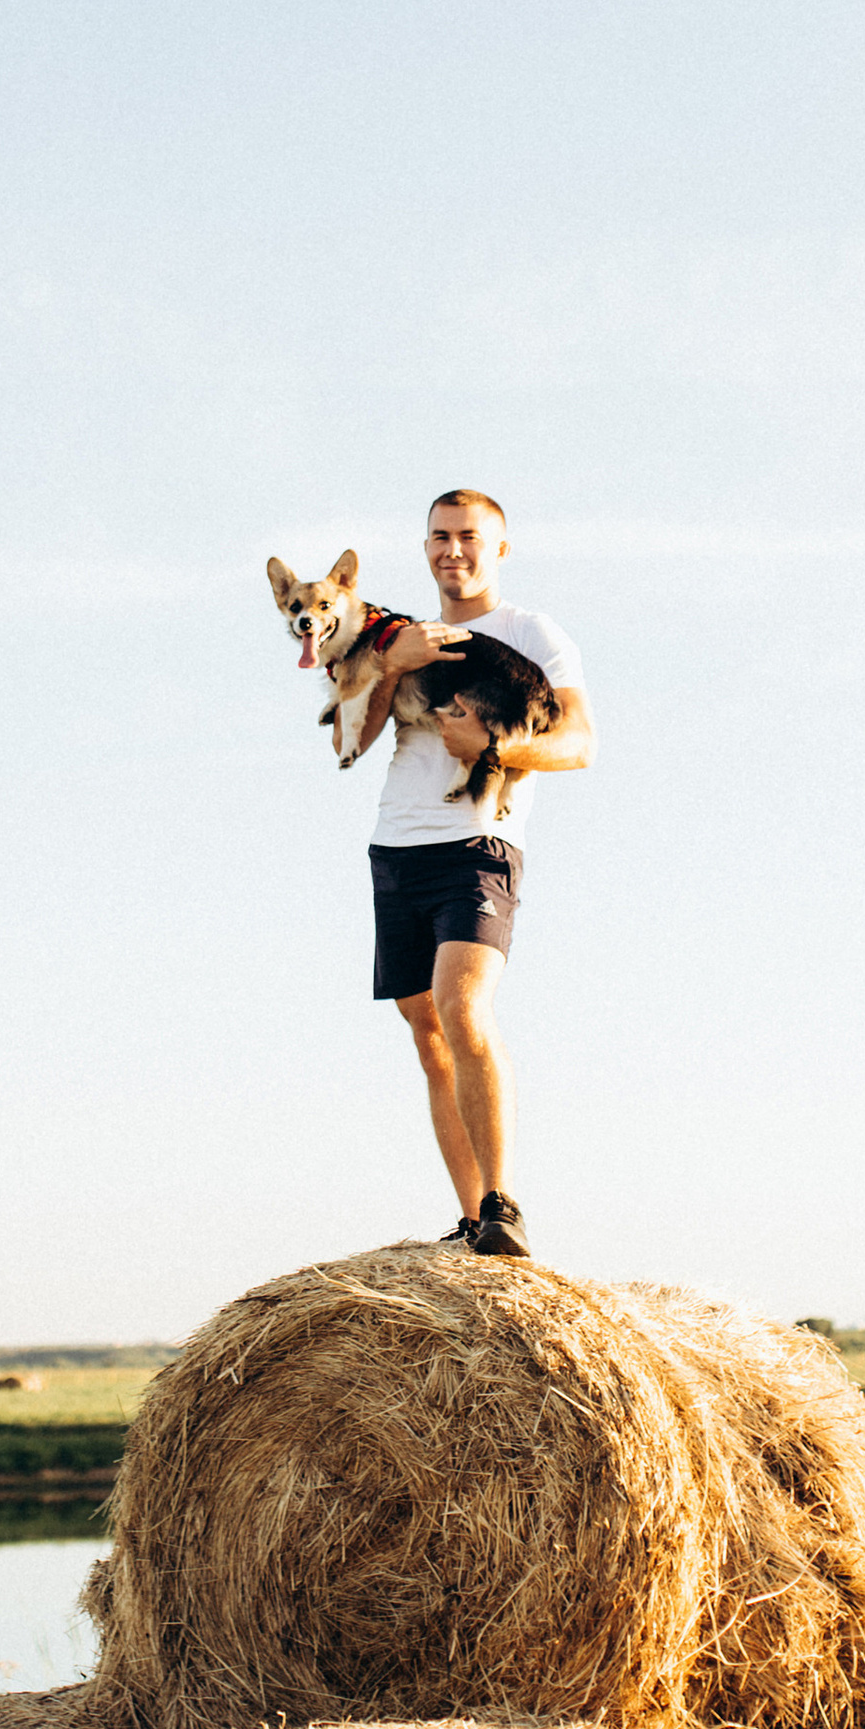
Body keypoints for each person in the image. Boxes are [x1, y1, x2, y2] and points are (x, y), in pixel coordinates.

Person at [355, 488, 595, 1259]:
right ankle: (471, 1225)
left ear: (499, 549)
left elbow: (579, 743)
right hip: (397, 848)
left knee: (464, 1009)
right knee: (427, 1036)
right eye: (438, 537)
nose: (451, 551)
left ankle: (503, 1204)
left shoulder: (530, 632)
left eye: (467, 537)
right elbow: (350, 743)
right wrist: (390, 668)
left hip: (477, 846)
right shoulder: (401, 635)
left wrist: (492, 749)